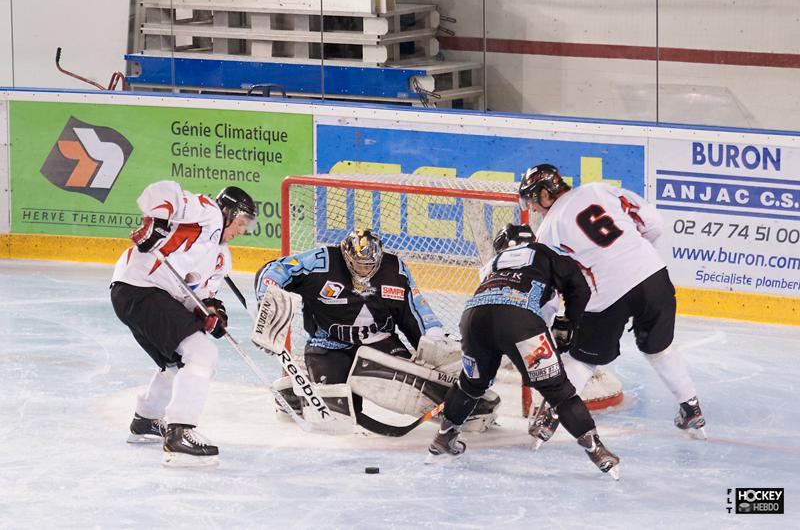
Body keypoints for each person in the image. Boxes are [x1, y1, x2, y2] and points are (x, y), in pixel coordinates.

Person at [518, 163, 706, 447]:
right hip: (653, 276)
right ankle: (691, 409)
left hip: (607, 294)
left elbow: (551, 290)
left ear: (546, 194)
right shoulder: (599, 189)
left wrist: (543, 323)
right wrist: (634, 257)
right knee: (658, 348)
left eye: (534, 199)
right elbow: (654, 223)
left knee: (583, 358)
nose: (533, 208)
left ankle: (550, 418)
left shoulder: (548, 230)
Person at [254, 228, 500, 433]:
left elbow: (415, 309)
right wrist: (267, 299)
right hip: (329, 345)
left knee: (409, 383)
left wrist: (433, 336)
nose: (365, 270)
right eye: (359, 264)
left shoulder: (394, 270)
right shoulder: (322, 260)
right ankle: (296, 391)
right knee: (337, 412)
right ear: (347, 256)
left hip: (380, 344)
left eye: (370, 264)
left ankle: (465, 404)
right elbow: (275, 270)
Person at [426, 223, 620, 478]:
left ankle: (444, 436)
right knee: (559, 392)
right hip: (520, 321)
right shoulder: (546, 250)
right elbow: (579, 287)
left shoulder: (492, 264)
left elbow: (497, 300)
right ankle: (597, 450)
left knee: (471, 384)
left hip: (473, 317)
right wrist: (569, 322)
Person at [110, 181, 256, 467]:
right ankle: (180, 432)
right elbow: (163, 192)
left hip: (140, 294)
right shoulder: (210, 213)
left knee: (179, 362)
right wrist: (157, 226)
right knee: (201, 353)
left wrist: (211, 312)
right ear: (227, 212)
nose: (241, 231)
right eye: (240, 222)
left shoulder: (221, 256)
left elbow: (197, 294)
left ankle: (147, 419)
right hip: (140, 286)